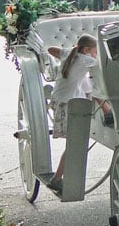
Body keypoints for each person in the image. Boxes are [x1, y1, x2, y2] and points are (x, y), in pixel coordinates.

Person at [48, 34, 112, 193]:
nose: (95, 54)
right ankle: (56, 178)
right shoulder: (85, 59)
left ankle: (107, 110)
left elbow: (51, 49)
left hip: (61, 101)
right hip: (66, 104)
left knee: (89, 87)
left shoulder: (70, 54)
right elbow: (105, 65)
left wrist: (68, 52)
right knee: (73, 144)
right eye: (94, 51)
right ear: (86, 50)